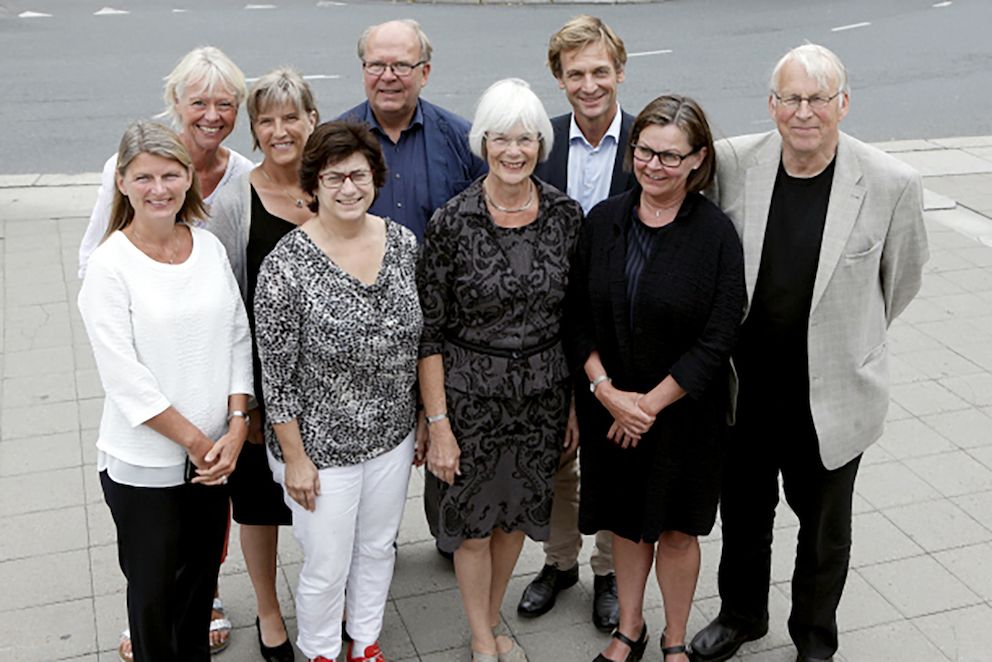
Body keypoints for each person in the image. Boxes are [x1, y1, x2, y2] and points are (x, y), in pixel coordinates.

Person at [689, 44, 929, 662]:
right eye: (791, 98)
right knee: (743, 515)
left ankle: (815, 638)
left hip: (833, 392)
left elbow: (899, 283)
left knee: (824, 533)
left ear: (843, 104)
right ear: (772, 105)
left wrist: (845, 342)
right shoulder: (737, 163)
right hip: (746, 389)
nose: (804, 112)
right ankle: (741, 615)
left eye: (818, 98)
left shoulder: (890, 183)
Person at [80, 47, 250, 660]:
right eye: (144, 176)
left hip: (213, 459)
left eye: (170, 174)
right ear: (122, 182)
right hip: (149, 464)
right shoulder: (109, 266)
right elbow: (127, 383)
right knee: (152, 597)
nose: (159, 187)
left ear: (186, 178)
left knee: (199, 588)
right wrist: (201, 445)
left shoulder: (204, 246)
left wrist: (235, 426)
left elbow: (236, 334)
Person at [565, 95, 744, 662]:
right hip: (609, 409)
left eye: (671, 156)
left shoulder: (715, 233)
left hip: (685, 415)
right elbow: (576, 318)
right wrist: (608, 394)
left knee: (675, 530)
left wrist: (647, 407)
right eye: (645, 151)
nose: (654, 165)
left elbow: (719, 335)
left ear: (697, 160)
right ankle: (631, 630)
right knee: (625, 521)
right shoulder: (604, 220)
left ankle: (673, 638)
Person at [417, 78, 583, 662]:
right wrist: (437, 424)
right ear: (482, 143)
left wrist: (570, 406)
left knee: (516, 519)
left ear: (541, 144)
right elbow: (429, 334)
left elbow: (573, 319)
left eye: (527, 139)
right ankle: (483, 638)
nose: (514, 151)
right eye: (501, 139)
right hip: (470, 402)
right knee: (474, 526)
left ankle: (488, 619)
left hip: (541, 398)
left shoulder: (566, 215)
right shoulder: (451, 221)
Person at [254, 120, 421, 662]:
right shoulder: (286, 264)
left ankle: (364, 642)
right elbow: (275, 376)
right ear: (313, 186)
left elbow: (420, 341)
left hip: (392, 434)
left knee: (376, 547)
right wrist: (296, 459)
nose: (348, 188)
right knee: (326, 564)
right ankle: (322, 650)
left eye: (358, 175)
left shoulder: (402, 244)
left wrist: (422, 419)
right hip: (320, 450)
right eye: (333, 178)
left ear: (376, 177)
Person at [519, 14, 636, 632]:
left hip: (626, 332)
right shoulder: (542, 142)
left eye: (599, 71)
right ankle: (559, 561)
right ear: (558, 80)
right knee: (557, 451)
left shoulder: (650, 140)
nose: (588, 85)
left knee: (614, 454)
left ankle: (610, 570)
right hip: (552, 328)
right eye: (575, 74)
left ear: (619, 71)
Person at [207, 67, 319, 662]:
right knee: (258, 505)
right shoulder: (234, 199)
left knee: (327, 497)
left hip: (329, 384)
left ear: (312, 120)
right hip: (261, 381)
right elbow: (225, 308)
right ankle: (270, 614)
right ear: (255, 129)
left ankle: (330, 600)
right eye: (266, 119)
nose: (280, 130)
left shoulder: (335, 184)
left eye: (290, 116)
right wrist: (240, 401)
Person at [79, 46, 251, 279]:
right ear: (176, 101)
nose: (212, 116)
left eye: (224, 104)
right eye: (199, 103)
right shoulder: (131, 167)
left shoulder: (244, 177)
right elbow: (94, 251)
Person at [339, 18, 486, 243]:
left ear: (424, 73)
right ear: (364, 70)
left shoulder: (464, 140)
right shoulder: (334, 142)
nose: (388, 76)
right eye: (377, 65)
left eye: (401, 66)